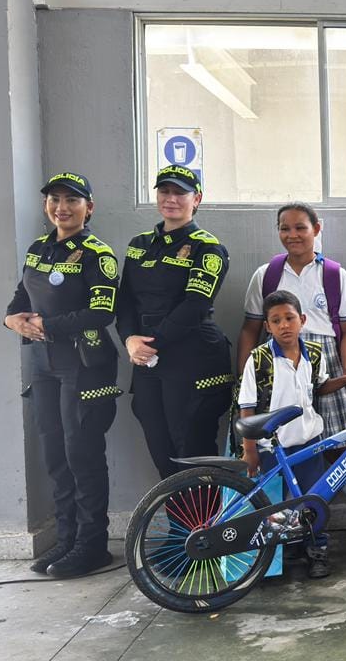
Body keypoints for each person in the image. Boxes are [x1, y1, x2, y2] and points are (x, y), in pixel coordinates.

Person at [3, 172, 119, 578]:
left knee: (81, 455)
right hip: (44, 366)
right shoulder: (38, 249)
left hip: (85, 365)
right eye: (55, 199)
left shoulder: (96, 254)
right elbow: (21, 297)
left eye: (72, 200)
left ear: (89, 208)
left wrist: (48, 325)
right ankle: (66, 541)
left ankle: (92, 546)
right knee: (55, 458)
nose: (62, 207)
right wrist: (12, 320)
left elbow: (103, 312)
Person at [237, 202, 346, 516]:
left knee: (341, 447)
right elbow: (250, 329)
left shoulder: (334, 275)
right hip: (279, 367)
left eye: (300, 227)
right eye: (285, 228)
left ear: (316, 230)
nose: (292, 235)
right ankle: (289, 529)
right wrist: (244, 374)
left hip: (326, 365)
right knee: (283, 448)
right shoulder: (265, 275)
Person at [238, 290, 346, 579]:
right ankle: (281, 552)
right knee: (274, 507)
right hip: (272, 447)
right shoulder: (258, 360)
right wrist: (250, 450)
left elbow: (318, 388)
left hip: (309, 443)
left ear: (302, 320)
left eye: (289, 318)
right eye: (276, 320)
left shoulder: (314, 353)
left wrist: (345, 380)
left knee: (313, 501)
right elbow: (246, 407)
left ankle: (316, 550)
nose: (284, 325)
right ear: (267, 326)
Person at [117, 165, 234, 479]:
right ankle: (181, 529)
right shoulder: (138, 244)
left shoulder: (207, 247)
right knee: (162, 454)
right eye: (164, 191)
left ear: (196, 199)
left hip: (192, 359)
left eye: (179, 192)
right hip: (146, 361)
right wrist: (129, 340)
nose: (171, 198)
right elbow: (124, 300)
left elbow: (195, 305)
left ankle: (205, 527)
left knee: (192, 455)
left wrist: (148, 345)